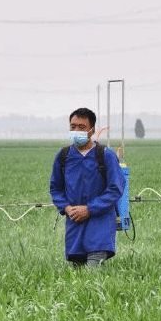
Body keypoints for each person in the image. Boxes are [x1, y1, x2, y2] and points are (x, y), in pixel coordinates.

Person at [50, 107, 125, 267]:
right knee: (77, 276)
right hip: (75, 223)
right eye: (73, 126)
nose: (76, 130)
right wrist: (67, 208)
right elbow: (55, 189)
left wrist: (89, 209)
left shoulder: (105, 155)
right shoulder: (63, 156)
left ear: (92, 130)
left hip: (100, 223)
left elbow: (115, 189)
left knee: (93, 269)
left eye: (81, 127)